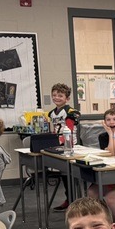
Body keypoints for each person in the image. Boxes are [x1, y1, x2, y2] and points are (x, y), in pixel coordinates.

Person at [48, 82, 81, 211]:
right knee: (63, 174)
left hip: (69, 145)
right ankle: (69, 200)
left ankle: (74, 201)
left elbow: (70, 129)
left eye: (60, 95)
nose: (56, 97)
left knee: (70, 175)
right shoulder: (51, 113)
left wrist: (65, 143)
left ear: (67, 98)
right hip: (58, 145)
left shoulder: (70, 112)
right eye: (54, 95)